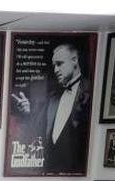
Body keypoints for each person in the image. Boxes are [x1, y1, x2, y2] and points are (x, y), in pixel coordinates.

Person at [11, 43, 92, 174]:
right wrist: (27, 112)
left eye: (59, 64)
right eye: (54, 65)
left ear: (75, 60)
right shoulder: (52, 98)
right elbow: (38, 128)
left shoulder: (92, 91)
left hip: (75, 176)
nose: (55, 70)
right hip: (49, 171)